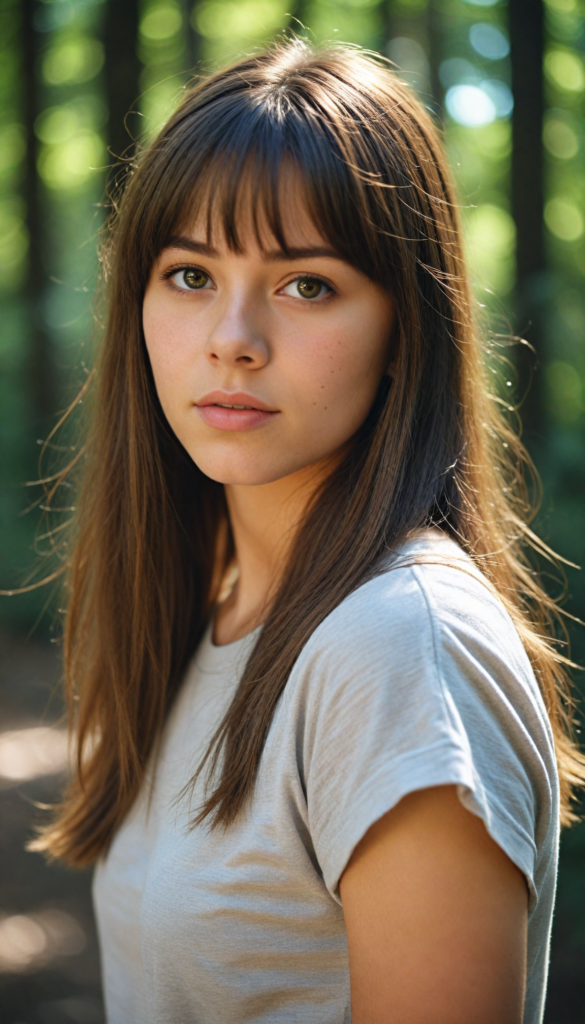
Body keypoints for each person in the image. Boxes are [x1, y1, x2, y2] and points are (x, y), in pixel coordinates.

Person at [32, 38, 585, 1024]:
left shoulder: (401, 647)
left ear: (403, 329)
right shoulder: (213, 601)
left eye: (307, 284)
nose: (231, 337)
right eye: (191, 274)